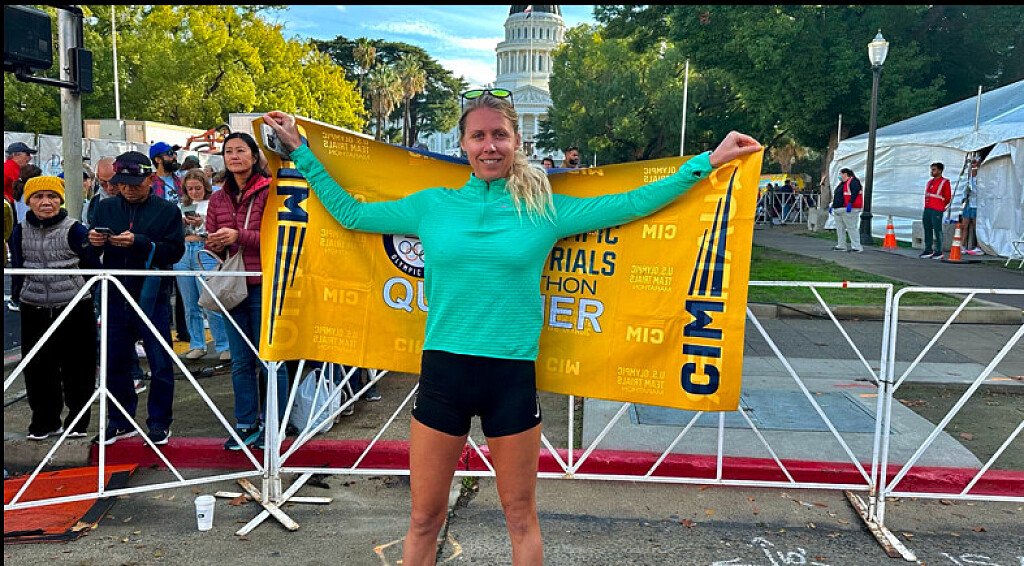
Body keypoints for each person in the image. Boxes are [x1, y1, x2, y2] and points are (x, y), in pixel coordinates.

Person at [263, 93, 761, 566]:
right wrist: (301, 151)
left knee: (520, 517)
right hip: (443, 375)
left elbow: (634, 203)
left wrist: (708, 162)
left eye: (499, 135)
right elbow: (351, 214)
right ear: (462, 144)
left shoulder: (542, 207)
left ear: (516, 141)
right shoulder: (431, 205)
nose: (490, 146)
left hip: (511, 378)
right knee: (422, 518)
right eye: (478, 136)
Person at [88, 151, 185, 445]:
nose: (127, 189)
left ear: (151, 179)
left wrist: (141, 243)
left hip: (152, 293)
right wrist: (93, 242)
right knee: (114, 361)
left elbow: (175, 251)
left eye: (135, 183)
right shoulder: (104, 207)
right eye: (121, 183)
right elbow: (90, 252)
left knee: (160, 361)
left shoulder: (167, 210)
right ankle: (120, 421)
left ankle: (159, 423)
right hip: (115, 292)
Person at [206, 132, 288, 451]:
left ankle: (275, 425)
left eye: (241, 150)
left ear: (254, 157)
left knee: (270, 359)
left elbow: (277, 236)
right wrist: (214, 242)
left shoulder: (271, 191)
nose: (234, 156)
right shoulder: (217, 198)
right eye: (229, 151)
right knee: (240, 360)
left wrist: (238, 236)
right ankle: (245, 424)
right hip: (232, 285)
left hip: (264, 282)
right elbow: (212, 237)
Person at [9, 176, 100, 439]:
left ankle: (77, 423)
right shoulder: (19, 230)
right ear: (29, 202)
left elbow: (92, 265)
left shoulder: (75, 230)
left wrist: (85, 293)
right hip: (34, 306)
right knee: (37, 368)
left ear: (60, 200)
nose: (46, 202)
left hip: (74, 306)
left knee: (78, 368)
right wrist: (19, 295)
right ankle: (44, 421)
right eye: (38, 197)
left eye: (52, 196)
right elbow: (18, 266)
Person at [173, 169, 231, 361]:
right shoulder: (181, 205)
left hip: (204, 248)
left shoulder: (214, 202)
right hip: (184, 250)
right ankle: (197, 344)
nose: (194, 192)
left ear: (205, 187)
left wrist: (203, 222)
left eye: (197, 188)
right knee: (190, 304)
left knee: (211, 301)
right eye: (190, 189)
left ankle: (223, 344)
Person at [920, 162, 951, 260]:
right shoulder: (930, 182)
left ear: (940, 171)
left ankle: (939, 250)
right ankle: (928, 249)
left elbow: (947, 197)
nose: (932, 172)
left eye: (934, 170)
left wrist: (941, 206)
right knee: (927, 228)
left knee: (937, 230)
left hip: (937, 209)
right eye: (931, 170)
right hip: (927, 208)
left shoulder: (945, 182)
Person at [830, 168, 864, 253]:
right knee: (840, 229)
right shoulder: (842, 183)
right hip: (839, 209)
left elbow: (855, 193)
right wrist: (832, 205)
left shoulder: (854, 182)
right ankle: (841, 245)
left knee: (851, 228)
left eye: (840, 174)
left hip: (848, 209)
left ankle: (856, 247)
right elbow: (837, 195)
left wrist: (850, 203)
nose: (839, 176)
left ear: (845, 174)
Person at [85, 157, 117, 228]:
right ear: (98, 177)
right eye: (104, 183)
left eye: (114, 182)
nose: (110, 188)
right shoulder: (92, 206)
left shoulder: (133, 199)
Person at [961, 158, 983, 255]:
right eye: (973, 163)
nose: (974, 165)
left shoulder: (981, 177)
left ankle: (979, 246)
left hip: (976, 203)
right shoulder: (968, 176)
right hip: (969, 202)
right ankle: (962, 245)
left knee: (976, 226)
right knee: (964, 225)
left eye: (976, 163)